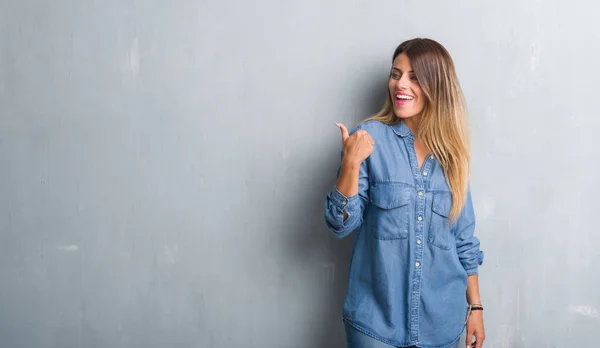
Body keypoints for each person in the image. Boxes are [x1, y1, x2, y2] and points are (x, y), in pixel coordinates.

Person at [324, 38, 485, 348]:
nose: (401, 84)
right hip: (376, 326)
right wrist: (350, 163)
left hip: (443, 325)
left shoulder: (453, 156)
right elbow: (339, 224)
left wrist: (476, 306)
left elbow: (464, 241)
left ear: (436, 86)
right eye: (396, 73)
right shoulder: (369, 138)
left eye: (414, 77)